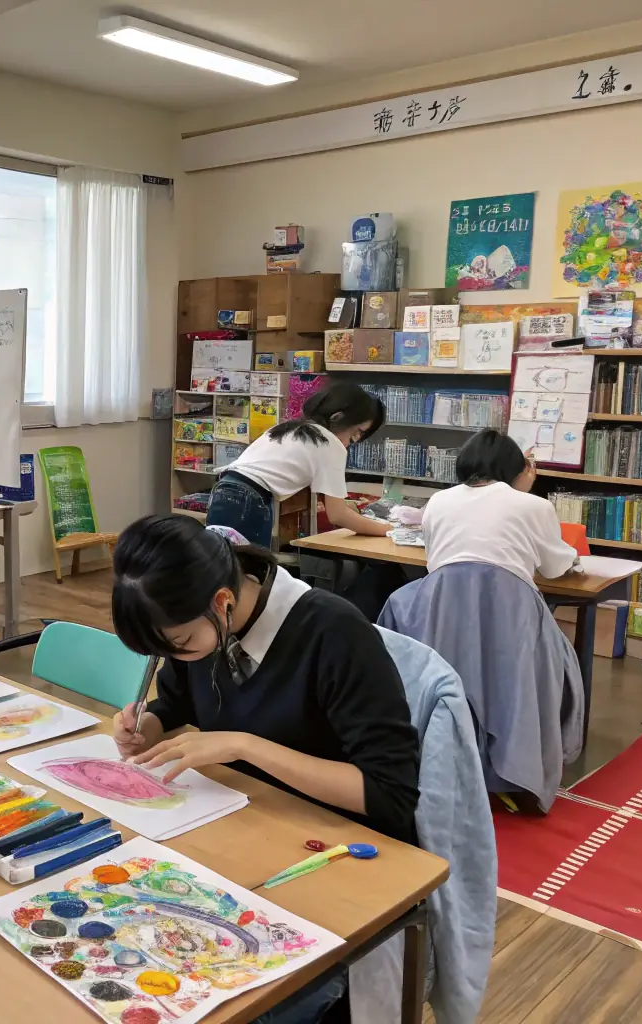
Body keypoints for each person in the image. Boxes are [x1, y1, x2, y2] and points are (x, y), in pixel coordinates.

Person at [109, 515, 421, 1022]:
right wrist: (146, 725)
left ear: (222, 603)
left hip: (338, 859)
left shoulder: (333, 631)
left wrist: (247, 747)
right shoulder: (203, 627)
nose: (174, 658)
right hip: (245, 835)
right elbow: (176, 702)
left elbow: (388, 792)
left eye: (179, 645)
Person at [208, 381, 390, 545]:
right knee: (250, 574)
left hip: (223, 489)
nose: (355, 440)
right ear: (338, 417)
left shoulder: (288, 429)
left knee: (219, 568)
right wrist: (387, 530)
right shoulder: (330, 445)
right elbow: (338, 514)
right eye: (357, 432)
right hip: (250, 499)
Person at [422, 428, 580, 586]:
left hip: (442, 605)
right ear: (516, 469)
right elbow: (555, 569)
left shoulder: (438, 500)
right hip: (509, 607)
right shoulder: (535, 505)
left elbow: (434, 561)